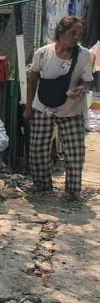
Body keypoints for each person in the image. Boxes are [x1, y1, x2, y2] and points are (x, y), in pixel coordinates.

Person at [24, 16, 94, 201]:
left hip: (71, 109)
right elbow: (33, 80)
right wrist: (29, 107)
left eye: (79, 34)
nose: (76, 38)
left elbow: (87, 82)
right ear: (61, 33)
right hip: (43, 106)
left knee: (74, 151)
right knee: (38, 148)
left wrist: (81, 89)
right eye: (73, 33)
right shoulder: (42, 53)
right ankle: (41, 185)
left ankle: (72, 191)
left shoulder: (84, 55)